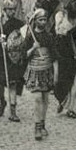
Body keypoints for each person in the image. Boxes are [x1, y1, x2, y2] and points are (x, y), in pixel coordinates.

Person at [0, 0, 25, 123]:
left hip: (13, 57)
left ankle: (13, 111)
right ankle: (2, 102)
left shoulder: (19, 23)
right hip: (1, 55)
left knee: (13, 82)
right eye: (9, 9)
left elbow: (22, 39)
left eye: (14, 9)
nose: (12, 12)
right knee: (0, 83)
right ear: (4, 10)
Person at [23, 9, 56, 141]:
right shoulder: (30, 36)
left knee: (45, 99)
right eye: (40, 20)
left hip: (46, 69)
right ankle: (37, 127)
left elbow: (54, 55)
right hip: (35, 70)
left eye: (44, 20)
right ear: (35, 21)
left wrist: (56, 73)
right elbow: (23, 55)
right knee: (37, 98)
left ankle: (42, 123)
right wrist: (33, 48)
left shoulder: (49, 36)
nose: (43, 22)